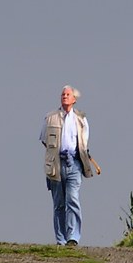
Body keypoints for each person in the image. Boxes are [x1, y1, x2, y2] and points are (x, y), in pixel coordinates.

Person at [39, 85, 96, 246]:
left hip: (74, 164)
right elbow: (44, 139)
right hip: (56, 164)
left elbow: (84, 142)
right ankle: (61, 239)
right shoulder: (50, 117)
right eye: (63, 94)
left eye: (68, 94)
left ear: (74, 99)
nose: (65, 96)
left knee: (72, 199)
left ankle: (73, 237)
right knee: (59, 203)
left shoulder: (81, 119)